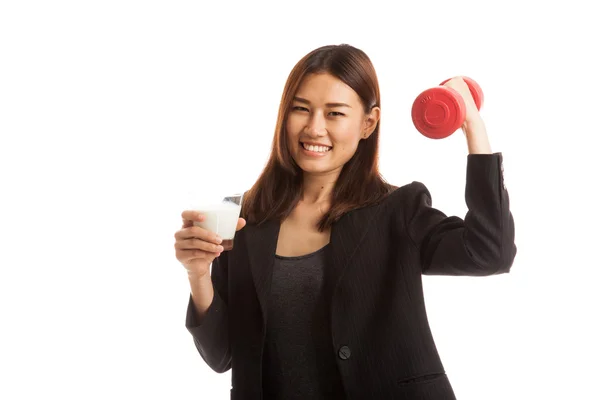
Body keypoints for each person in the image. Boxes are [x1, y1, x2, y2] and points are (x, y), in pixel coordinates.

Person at [174, 44, 517, 400]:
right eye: (300, 109)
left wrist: (472, 126)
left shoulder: (398, 210)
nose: (314, 128)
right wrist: (198, 274)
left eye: (335, 113)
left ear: (367, 123)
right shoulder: (244, 217)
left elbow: (490, 252)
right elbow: (222, 355)